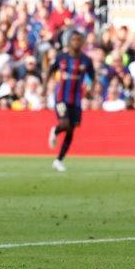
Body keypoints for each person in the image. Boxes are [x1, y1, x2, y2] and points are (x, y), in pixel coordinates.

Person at [47, 30, 95, 172]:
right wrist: (44, 88)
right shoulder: (61, 57)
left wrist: (91, 89)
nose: (76, 42)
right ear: (69, 42)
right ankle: (55, 130)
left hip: (76, 99)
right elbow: (50, 70)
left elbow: (92, 77)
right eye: (74, 40)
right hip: (61, 97)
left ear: (82, 42)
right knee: (65, 123)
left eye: (79, 40)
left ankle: (59, 160)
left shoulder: (86, 60)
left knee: (71, 129)